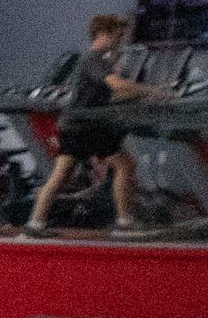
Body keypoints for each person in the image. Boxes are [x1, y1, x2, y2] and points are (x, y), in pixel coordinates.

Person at [25, 12, 155, 233]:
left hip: (83, 124)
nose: (119, 42)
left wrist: (140, 93)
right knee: (123, 165)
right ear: (103, 34)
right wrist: (150, 90)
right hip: (83, 126)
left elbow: (108, 95)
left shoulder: (97, 60)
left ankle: (35, 223)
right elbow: (115, 85)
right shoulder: (93, 58)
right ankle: (125, 223)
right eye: (117, 36)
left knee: (63, 175)